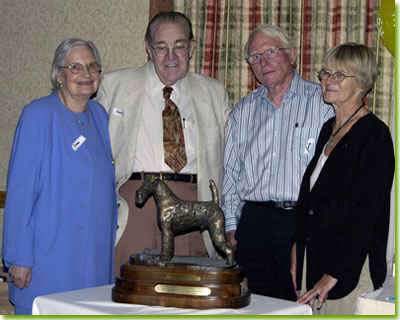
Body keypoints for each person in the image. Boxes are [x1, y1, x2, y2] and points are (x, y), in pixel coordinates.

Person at [97, 11, 231, 276]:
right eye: (161, 47)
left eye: (179, 46)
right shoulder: (114, 85)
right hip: (136, 204)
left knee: (188, 296)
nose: (171, 56)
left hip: (193, 209)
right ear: (148, 49)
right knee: (131, 295)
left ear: (192, 48)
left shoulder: (214, 92)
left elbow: (233, 156)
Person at [1, 38, 118, 315]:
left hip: (93, 256)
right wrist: (19, 258)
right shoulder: (37, 116)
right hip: (48, 256)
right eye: (75, 66)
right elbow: (20, 193)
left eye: (92, 66)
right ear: (58, 74)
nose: (86, 73)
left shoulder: (99, 116)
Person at [222, 24, 334, 300]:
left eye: (271, 51)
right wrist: (231, 223)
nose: (263, 61)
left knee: (297, 302)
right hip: (254, 223)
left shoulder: (322, 103)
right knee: (256, 304)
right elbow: (232, 171)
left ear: (292, 55)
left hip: (302, 222)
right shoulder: (243, 110)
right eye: (255, 57)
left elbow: (333, 172)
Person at [292, 42, 394, 315]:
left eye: (339, 75)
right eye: (325, 73)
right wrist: (297, 248)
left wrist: (334, 273)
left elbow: (365, 216)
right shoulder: (330, 128)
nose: (328, 80)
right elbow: (311, 202)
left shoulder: (375, 136)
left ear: (362, 82)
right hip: (314, 262)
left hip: (348, 272)